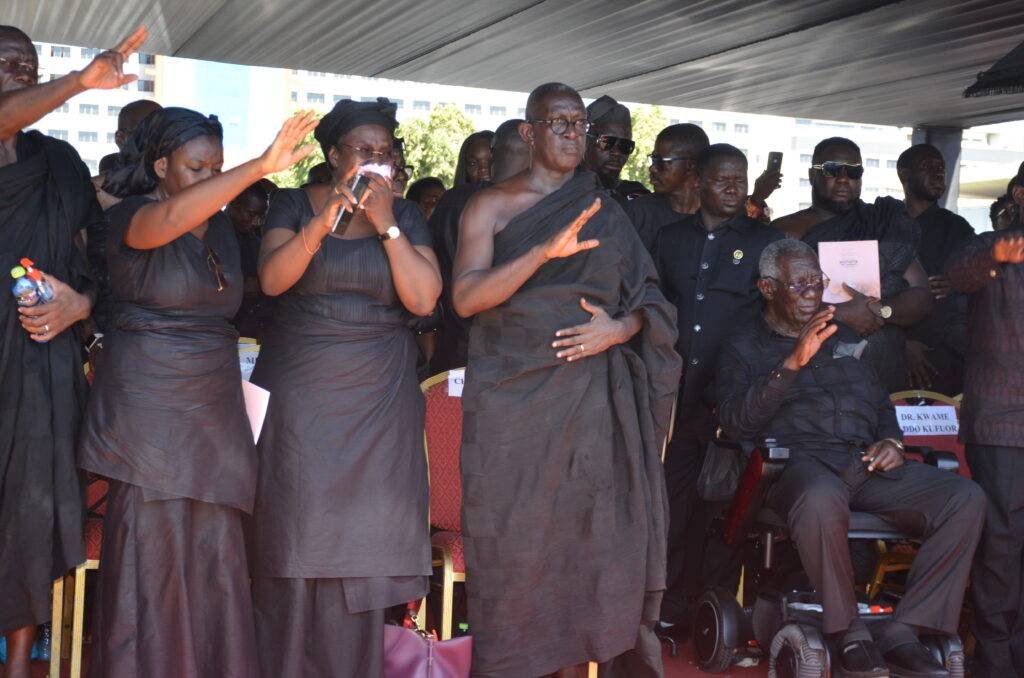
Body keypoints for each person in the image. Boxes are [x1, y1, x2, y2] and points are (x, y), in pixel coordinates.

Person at [78, 107, 316, 678]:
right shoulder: (133, 216)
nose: (211, 177)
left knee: (215, 553)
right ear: (161, 166)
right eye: (196, 166)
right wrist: (260, 164)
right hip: (149, 411)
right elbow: (167, 222)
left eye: (217, 165)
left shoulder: (225, 233)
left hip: (212, 407)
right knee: (149, 556)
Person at [452, 82, 681, 677]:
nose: (573, 133)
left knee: (592, 543)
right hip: (513, 405)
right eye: (559, 123)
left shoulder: (607, 209)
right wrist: (543, 253)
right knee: (518, 546)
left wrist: (622, 328)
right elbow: (465, 298)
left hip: (593, 405)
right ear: (529, 134)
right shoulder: (491, 205)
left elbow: (653, 301)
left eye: (580, 123)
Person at [717, 239, 984, 678]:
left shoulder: (847, 339)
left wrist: (892, 443)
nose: (812, 292)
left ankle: (906, 630)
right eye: (799, 283)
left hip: (864, 462)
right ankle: (850, 634)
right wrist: (792, 363)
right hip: (796, 466)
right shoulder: (743, 346)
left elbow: (881, 407)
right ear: (767, 288)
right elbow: (736, 423)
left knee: (964, 499)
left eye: (816, 281)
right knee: (821, 496)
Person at [250, 97, 440, 678]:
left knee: (362, 546)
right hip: (301, 399)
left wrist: (384, 223)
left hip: (378, 401)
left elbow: (425, 298)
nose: (377, 162)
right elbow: (272, 280)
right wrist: (322, 221)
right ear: (334, 156)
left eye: (386, 153)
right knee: (294, 536)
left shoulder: (405, 216)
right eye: (364, 151)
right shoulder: (290, 203)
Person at [0, 23, 146, 678]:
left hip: (42, 365)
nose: (19, 70)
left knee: (30, 521)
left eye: (27, 62)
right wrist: (83, 81)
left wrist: (78, 306)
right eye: (4, 60)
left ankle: (21, 665)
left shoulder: (58, 162)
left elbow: (99, 262)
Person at [651, 144, 783, 634]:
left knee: (726, 510)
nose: (733, 187)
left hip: (738, 401)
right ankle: (668, 608)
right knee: (674, 505)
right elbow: (653, 306)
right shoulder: (670, 239)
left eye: (741, 178)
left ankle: (715, 612)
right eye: (723, 178)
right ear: (698, 182)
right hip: (680, 398)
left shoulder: (768, 241)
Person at [772, 137, 932, 393]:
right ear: (811, 174)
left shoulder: (882, 223)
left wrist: (880, 311)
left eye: (854, 171)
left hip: (880, 365)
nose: (844, 178)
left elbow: (921, 294)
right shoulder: (786, 231)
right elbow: (768, 300)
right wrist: (842, 313)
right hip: (809, 367)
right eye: (832, 169)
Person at [946, 167, 1024, 678]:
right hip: (1002, 426)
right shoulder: (990, 247)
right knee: (1003, 544)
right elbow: (955, 275)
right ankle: (996, 661)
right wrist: (996, 254)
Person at [428, 118, 530, 373]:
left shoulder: (452, 202)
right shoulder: (460, 202)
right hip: (496, 340)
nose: (483, 169)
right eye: (474, 163)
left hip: (459, 339)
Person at [897, 143, 974, 395]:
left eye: (941, 167)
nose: (938, 172)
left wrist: (958, 283)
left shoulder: (957, 228)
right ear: (903, 173)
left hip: (941, 355)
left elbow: (965, 292)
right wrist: (903, 343)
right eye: (928, 167)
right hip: (891, 347)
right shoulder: (885, 222)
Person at [90, 99, 164, 328]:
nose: (157, 142)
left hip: (163, 329)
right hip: (102, 324)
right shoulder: (90, 193)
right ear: (121, 139)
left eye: (163, 132)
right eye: (147, 132)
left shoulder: (177, 195)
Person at [624, 122, 708, 250]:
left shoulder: (716, 219)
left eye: (660, 162)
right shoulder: (637, 213)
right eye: (653, 159)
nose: (652, 168)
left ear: (691, 165)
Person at [227, 181, 273, 339]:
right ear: (232, 203)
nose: (255, 222)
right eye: (251, 214)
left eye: (260, 217)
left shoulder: (256, 242)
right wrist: (239, 287)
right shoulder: (211, 235)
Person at [583, 94, 644, 205]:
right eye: (607, 142)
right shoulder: (561, 193)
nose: (617, 152)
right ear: (584, 142)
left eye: (625, 145)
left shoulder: (636, 195)